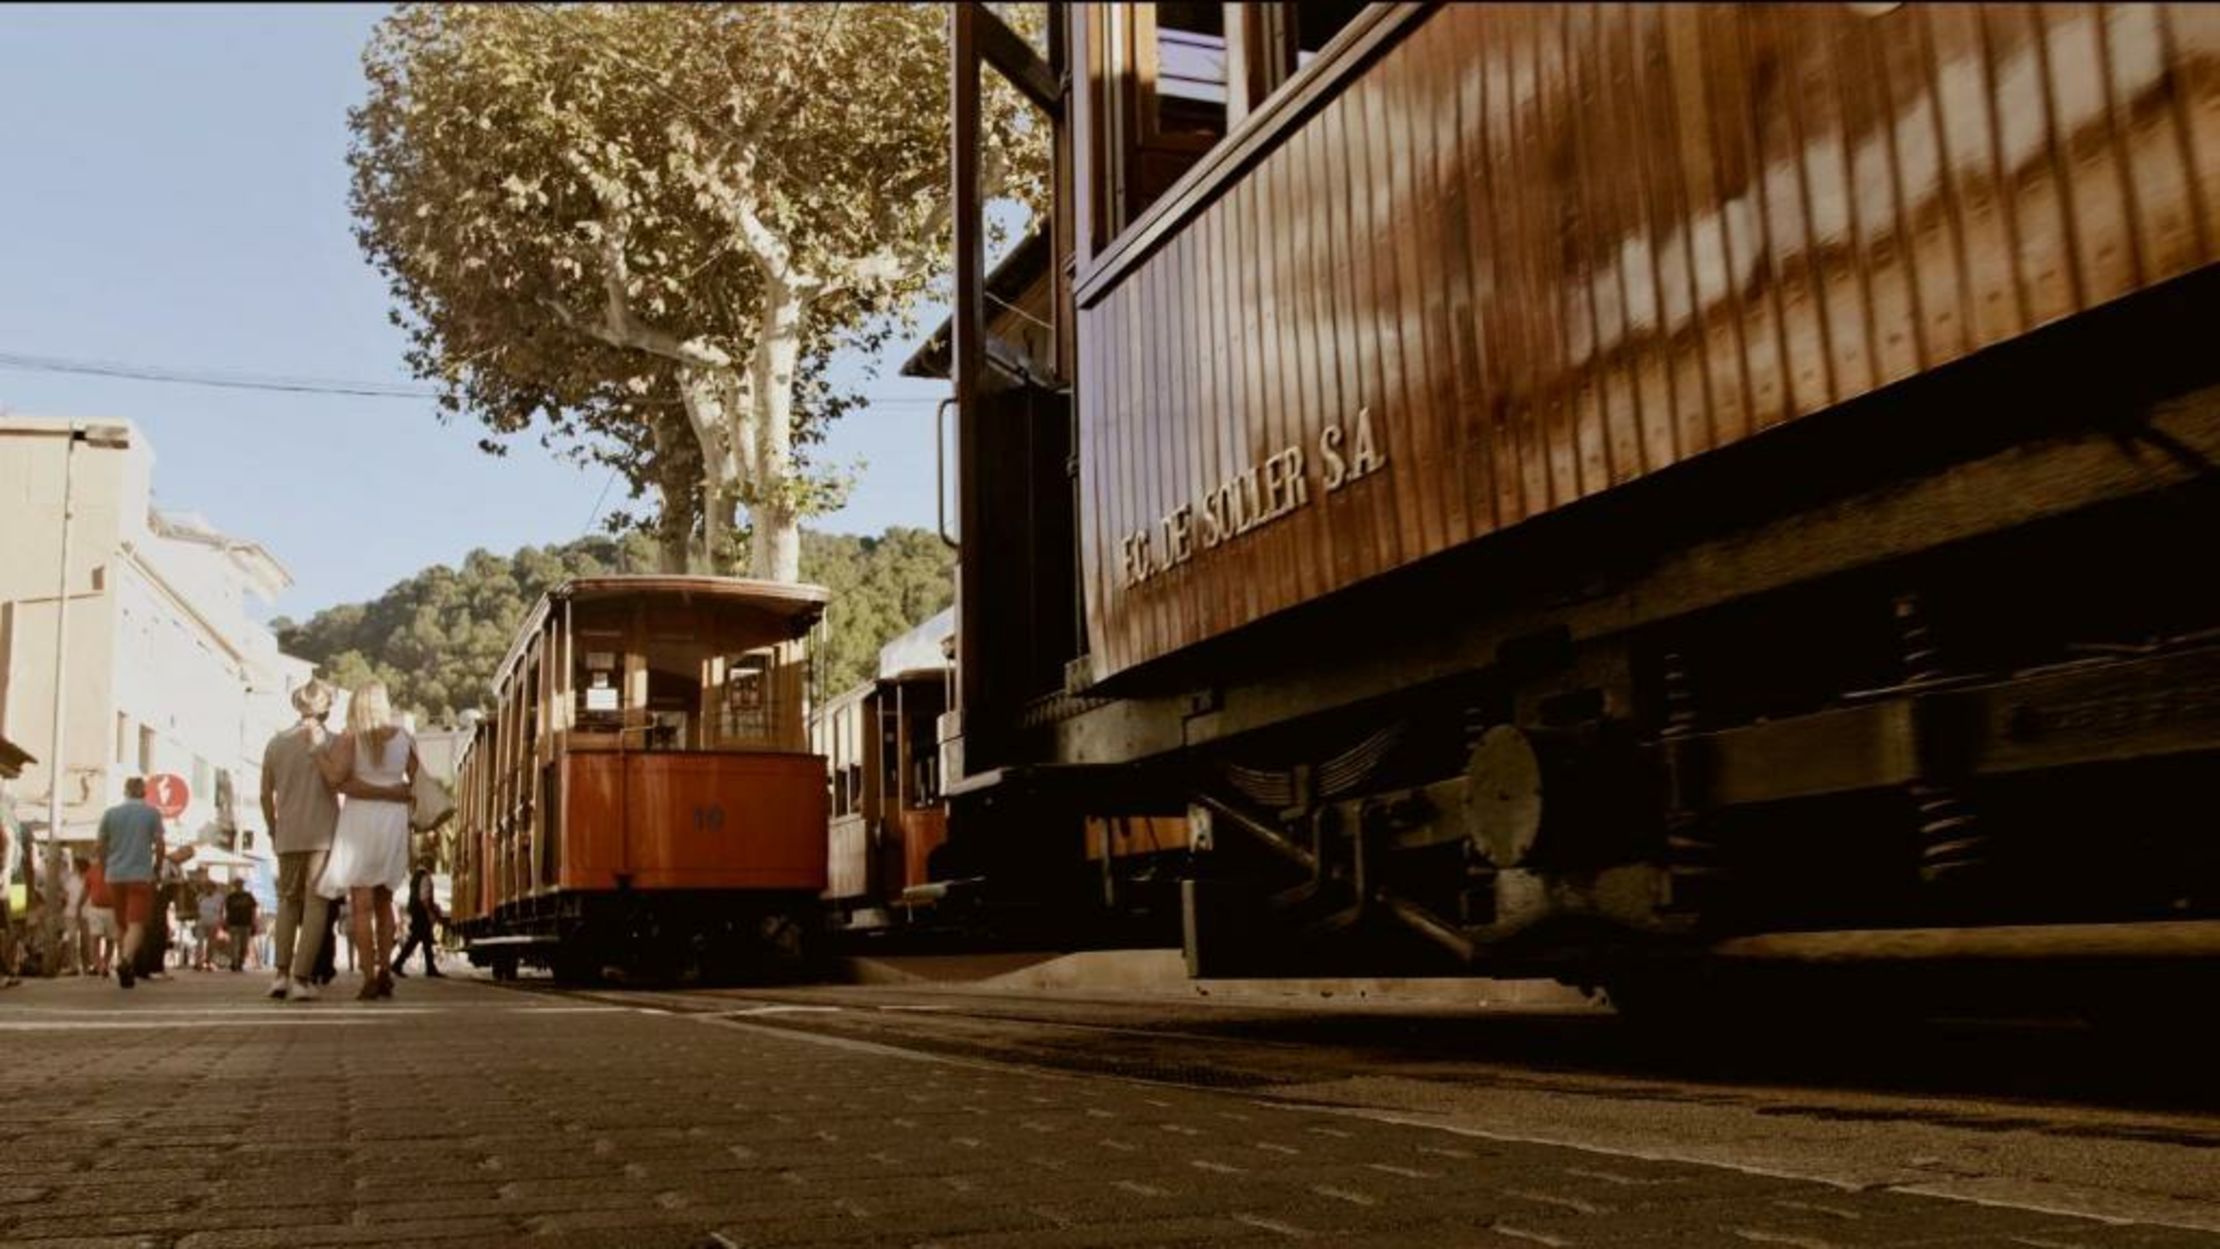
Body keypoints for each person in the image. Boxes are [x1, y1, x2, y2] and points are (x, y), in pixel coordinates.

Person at [316, 681, 416, 1001]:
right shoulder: (404, 738)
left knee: (361, 905)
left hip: (360, 820)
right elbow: (415, 785)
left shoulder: (350, 737)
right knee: (386, 902)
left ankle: (369, 976)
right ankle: (386, 971)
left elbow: (336, 780)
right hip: (392, 821)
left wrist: (318, 751)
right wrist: (391, 792)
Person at [262, 679, 342, 1003]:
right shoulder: (334, 742)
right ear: (327, 708)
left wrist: (272, 828)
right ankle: (301, 979)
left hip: (288, 832)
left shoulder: (276, 742)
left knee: (286, 901)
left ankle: (279, 975)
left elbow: (265, 794)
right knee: (316, 904)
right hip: (322, 832)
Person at [94, 777, 165, 989]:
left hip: (115, 875)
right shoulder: (152, 814)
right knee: (137, 922)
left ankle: (126, 961)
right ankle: (126, 961)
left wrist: (107, 867)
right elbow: (160, 845)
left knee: (121, 922)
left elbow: (99, 846)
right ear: (144, 792)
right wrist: (157, 869)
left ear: (125, 791)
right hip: (140, 875)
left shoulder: (110, 814)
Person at [393, 859, 443, 979]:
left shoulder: (415, 876)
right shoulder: (425, 877)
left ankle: (429, 967)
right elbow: (424, 896)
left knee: (423, 940)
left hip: (416, 912)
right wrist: (430, 911)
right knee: (418, 940)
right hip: (421, 913)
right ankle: (398, 964)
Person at [223, 878, 258, 973]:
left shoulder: (248, 896)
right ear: (234, 885)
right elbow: (226, 910)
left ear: (243, 885)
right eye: (237, 884)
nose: (238, 885)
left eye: (240, 884)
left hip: (246, 923)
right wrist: (225, 921)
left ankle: (240, 962)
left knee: (244, 944)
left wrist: (254, 922)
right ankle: (234, 962)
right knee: (234, 944)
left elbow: (254, 910)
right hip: (233, 923)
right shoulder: (231, 897)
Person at [194, 881, 222, 971]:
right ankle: (198, 962)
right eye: (206, 887)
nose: (208, 889)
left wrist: (220, 921)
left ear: (214, 888)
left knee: (211, 943)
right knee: (199, 943)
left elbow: (221, 909)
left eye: (210, 887)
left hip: (213, 921)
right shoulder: (200, 896)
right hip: (201, 921)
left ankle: (209, 961)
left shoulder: (219, 897)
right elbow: (196, 907)